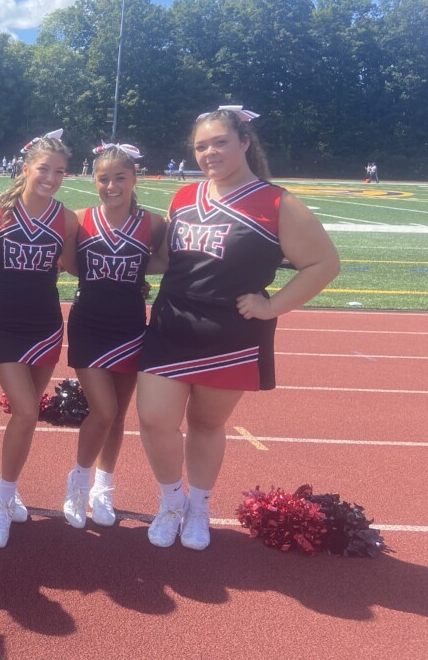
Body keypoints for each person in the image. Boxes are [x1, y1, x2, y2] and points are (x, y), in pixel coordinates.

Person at [137, 105, 340, 551]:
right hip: (171, 322)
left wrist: (273, 306)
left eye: (219, 142)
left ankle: (200, 507)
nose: (209, 152)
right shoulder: (184, 197)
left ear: (245, 143)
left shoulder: (276, 202)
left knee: (206, 423)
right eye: (201, 145)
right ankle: (171, 501)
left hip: (231, 332)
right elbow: (169, 260)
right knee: (154, 420)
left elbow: (324, 263)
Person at [61, 144, 167, 529]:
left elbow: (164, 260)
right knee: (102, 411)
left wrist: (136, 276)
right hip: (88, 321)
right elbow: (70, 264)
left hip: (129, 325)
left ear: (134, 178)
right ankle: (79, 481)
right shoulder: (80, 219)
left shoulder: (152, 223)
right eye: (104, 178)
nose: (111, 185)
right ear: (95, 181)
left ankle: (103, 488)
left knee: (118, 415)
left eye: (120, 177)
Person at [0, 132, 77, 548]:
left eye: (59, 171)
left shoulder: (67, 219)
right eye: (44, 169)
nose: (51, 178)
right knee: (23, 412)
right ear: (25, 169)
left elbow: (77, 264)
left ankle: (11, 486)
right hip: (3, 322)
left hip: (45, 325)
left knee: (29, 415)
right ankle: (1, 500)